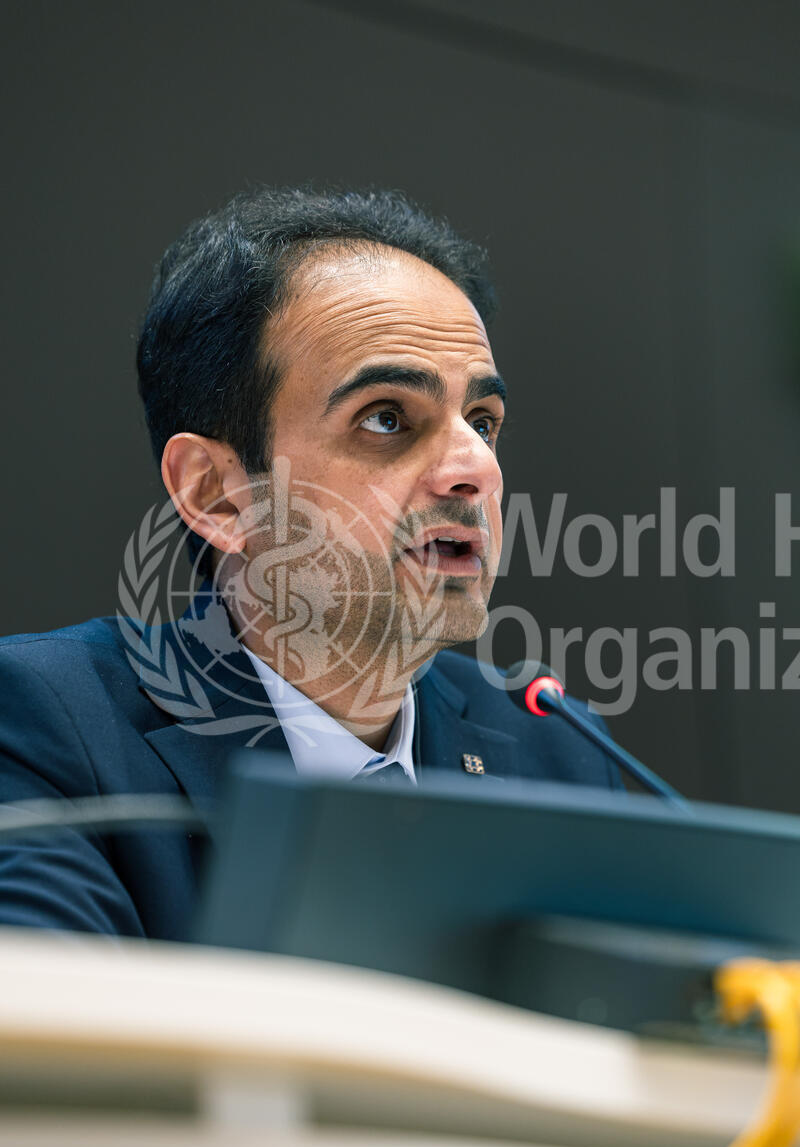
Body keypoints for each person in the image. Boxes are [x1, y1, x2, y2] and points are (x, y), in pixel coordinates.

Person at [0, 186, 619, 938]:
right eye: (387, 418)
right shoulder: (49, 725)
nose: (476, 469)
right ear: (217, 495)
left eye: (482, 423)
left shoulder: (557, 752)